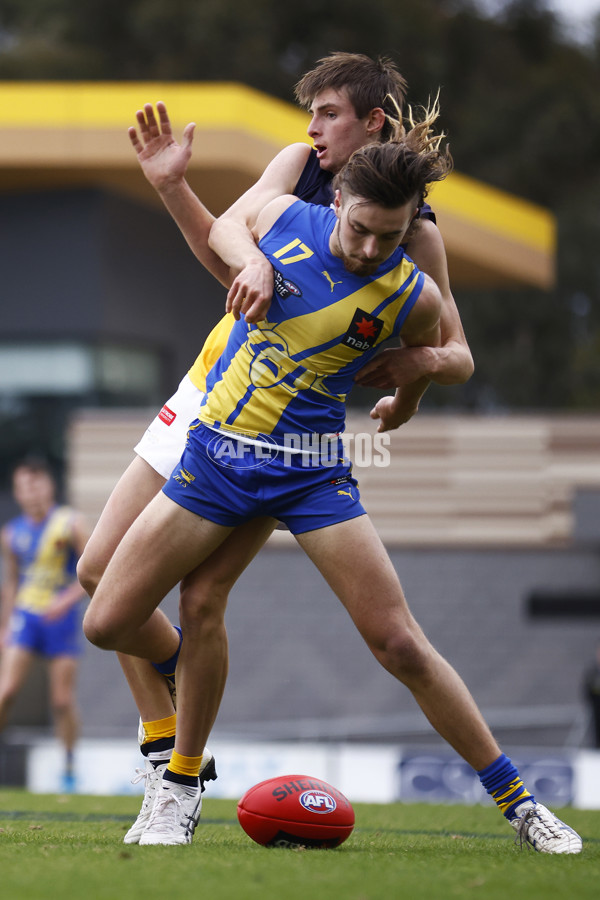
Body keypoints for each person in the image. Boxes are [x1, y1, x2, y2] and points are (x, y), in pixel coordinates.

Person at [83, 123, 582, 854]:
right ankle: (186, 684)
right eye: (361, 229)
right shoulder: (282, 216)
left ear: (410, 225)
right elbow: (225, 237)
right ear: (338, 197)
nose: (372, 248)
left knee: (397, 642)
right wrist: (229, 240)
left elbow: (448, 358)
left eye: (392, 235)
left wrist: (407, 389)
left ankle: (521, 805)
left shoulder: (408, 293)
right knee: (104, 623)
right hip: (220, 454)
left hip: (312, 467)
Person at [0, 458, 88, 791]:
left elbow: (92, 570)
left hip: (60, 621)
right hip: (25, 618)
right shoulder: (12, 534)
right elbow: (11, 583)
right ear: (18, 492)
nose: (31, 492)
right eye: (24, 486)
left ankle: (68, 767)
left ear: (49, 486)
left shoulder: (70, 524)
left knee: (62, 700)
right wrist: (5, 625)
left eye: (36, 484)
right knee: (5, 692)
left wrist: (65, 601)